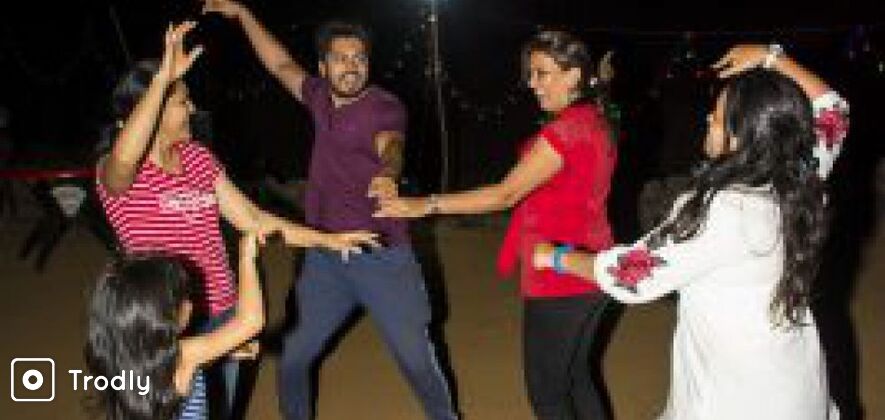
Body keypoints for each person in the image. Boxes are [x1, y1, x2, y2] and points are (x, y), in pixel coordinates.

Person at [532, 44, 849, 420]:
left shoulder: (726, 212)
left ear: (738, 138)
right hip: (796, 389)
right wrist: (772, 58)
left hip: (737, 400)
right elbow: (834, 111)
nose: (707, 118)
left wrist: (555, 256)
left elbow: (634, 275)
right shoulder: (801, 178)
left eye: (717, 118)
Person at [95, 22, 378, 418]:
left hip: (222, 312)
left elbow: (252, 218)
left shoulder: (197, 158)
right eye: (182, 102)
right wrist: (162, 80)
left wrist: (328, 240)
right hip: (160, 324)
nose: (192, 109)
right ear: (152, 110)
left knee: (219, 411)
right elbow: (124, 159)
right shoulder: (120, 174)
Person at [201, 2, 458, 419]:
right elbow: (279, 63)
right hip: (325, 258)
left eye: (359, 58)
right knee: (295, 356)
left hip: (382, 256)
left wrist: (388, 173)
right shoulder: (318, 96)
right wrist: (244, 14)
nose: (352, 66)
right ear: (323, 67)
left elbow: (392, 145)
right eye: (341, 59)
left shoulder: (384, 107)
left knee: (416, 360)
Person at [376, 30, 617, 420]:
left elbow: (504, 195)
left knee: (547, 393)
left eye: (542, 73)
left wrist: (426, 204)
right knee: (576, 377)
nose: (532, 83)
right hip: (590, 261)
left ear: (573, 75)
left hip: (561, 272)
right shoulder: (593, 119)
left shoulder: (567, 130)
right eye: (530, 73)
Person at [84, 234, 263, 420]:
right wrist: (246, 258)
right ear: (160, 322)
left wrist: (219, 352)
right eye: (182, 300)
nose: (190, 304)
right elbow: (251, 320)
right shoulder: (184, 355)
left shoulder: (118, 355)